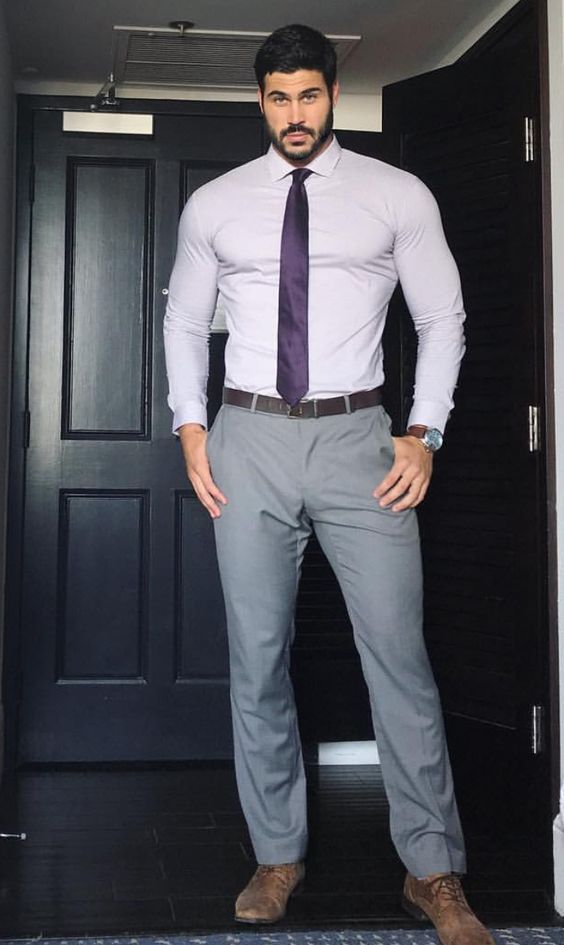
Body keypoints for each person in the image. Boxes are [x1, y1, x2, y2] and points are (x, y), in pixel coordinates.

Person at [164, 23, 493, 945]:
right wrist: (191, 427)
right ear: (260, 101)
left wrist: (423, 433)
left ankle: (434, 871)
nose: (295, 114)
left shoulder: (396, 194)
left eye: (309, 95)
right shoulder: (216, 205)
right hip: (249, 437)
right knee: (257, 655)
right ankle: (277, 855)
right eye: (279, 98)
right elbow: (184, 321)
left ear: (333, 94)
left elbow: (443, 318)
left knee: (399, 655)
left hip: (359, 439)